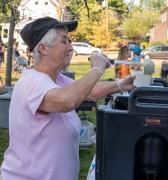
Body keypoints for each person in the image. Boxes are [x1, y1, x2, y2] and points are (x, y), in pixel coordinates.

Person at [0, 17, 135, 180]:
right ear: (43, 48)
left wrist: (121, 85)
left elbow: (89, 91)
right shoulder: (32, 81)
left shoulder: (57, 79)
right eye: (64, 41)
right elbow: (67, 101)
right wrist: (97, 68)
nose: (71, 48)